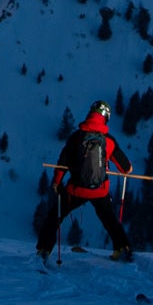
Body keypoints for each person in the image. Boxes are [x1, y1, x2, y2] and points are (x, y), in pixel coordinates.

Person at [35, 101, 134, 262]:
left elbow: (62, 164)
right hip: (100, 190)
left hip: (76, 189)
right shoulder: (108, 141)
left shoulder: (76, 138)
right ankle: (123, 248)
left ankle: (44, 249)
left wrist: (56, 183)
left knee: (55, 216)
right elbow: (126, 168)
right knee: (109, 219)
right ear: (105, 118)